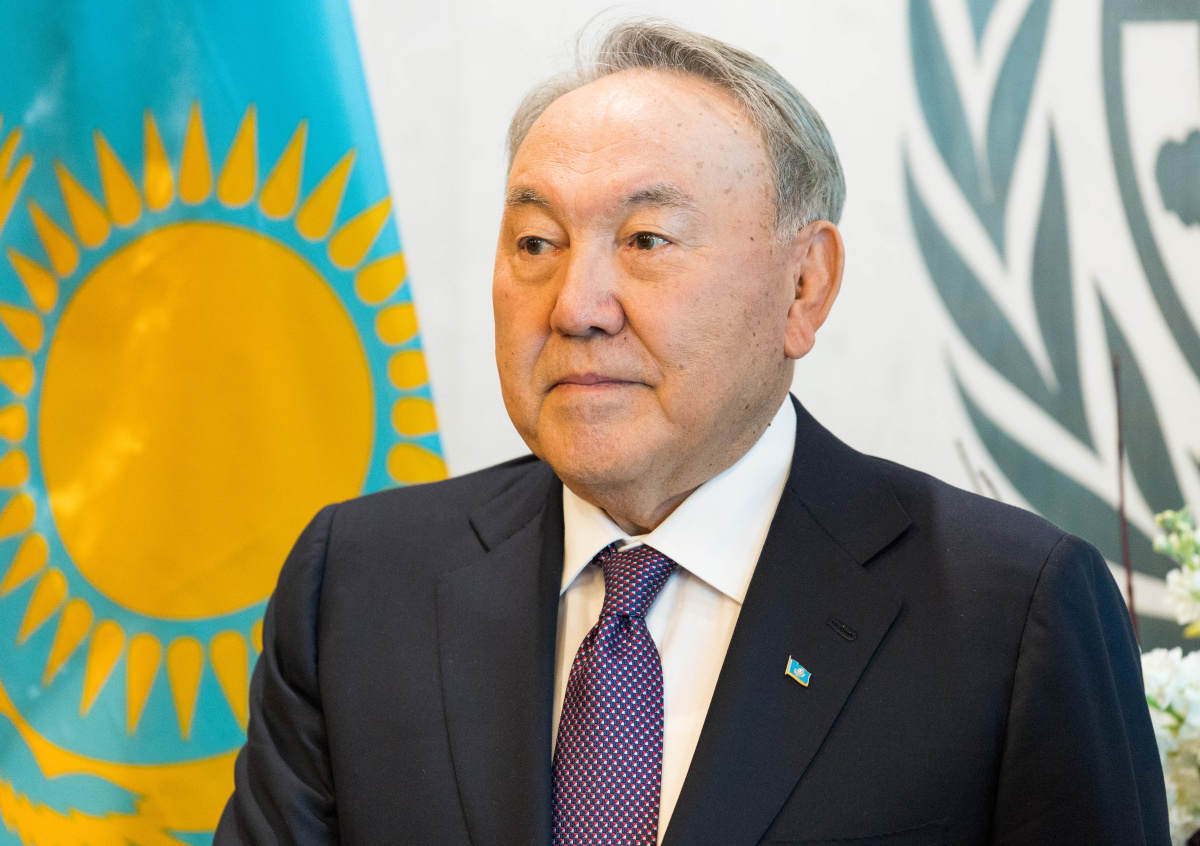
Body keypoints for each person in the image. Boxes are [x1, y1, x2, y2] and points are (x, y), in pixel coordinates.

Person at [215, 17, 1169, 846]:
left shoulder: (1010, 614)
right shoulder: (359, 584)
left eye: (646, 242)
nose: (577, 307)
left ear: (805, 287)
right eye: (537, 243)